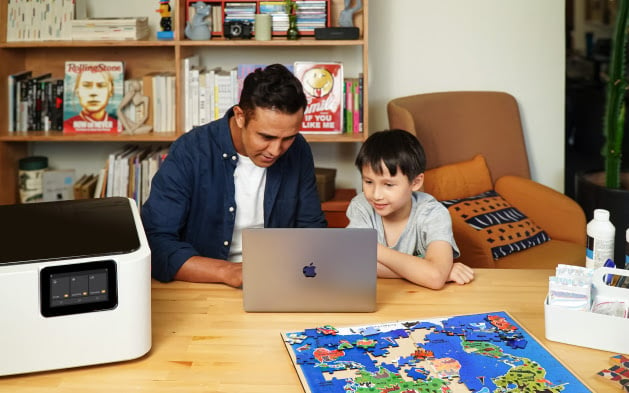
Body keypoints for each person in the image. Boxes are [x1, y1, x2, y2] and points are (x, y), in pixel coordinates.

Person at [141, 64, 327, 287]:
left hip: (276, 282)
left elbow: (312, 231)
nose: (276, 150)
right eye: (266, 137)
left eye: (288, 138)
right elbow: (156, 241)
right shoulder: (191, 150)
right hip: (202, 285)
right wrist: (229, 272)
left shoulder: (298, 150)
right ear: (240, 117)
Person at [346, 129, 474, 289]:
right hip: (379, 296)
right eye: (368, 182)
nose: (376, 195)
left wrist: (372, 248)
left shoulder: (433, 213)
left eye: (388, 185)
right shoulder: (361, 206)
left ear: (415, 182)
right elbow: (352, 267)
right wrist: (426, 271)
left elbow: (434, 278)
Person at [63, 68, 119, 132]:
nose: (93, 93)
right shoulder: (67, 126)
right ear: (77, 92)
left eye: (101, 85)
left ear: (111, 91)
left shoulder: (119, 126)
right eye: (86, 85)